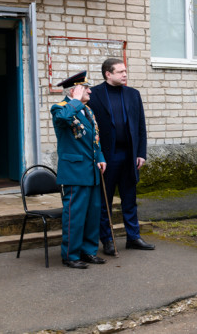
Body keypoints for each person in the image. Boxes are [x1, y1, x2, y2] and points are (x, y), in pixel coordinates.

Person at [87, 58, 153, 255]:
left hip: (130, 156)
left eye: (125, 71)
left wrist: (141, 153)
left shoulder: (133, 94)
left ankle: (133, 237)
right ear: (108, 74)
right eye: (120, 71)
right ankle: (107, 240)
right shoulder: (94, 94)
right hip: (107, 158)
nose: (125, 74)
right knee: (105, 201)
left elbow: (141, 125)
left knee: (129, 198)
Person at [51, 71, 107, 269]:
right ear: (74, 90)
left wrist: (100, 158)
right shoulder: (60, 108)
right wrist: (74, 100)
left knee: (92, 214)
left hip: (92, 171)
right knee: (74, 216)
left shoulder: (88, 111)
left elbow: (94, 140)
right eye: (86, 88)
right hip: (74, 172)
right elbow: (64, 119)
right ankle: (70, 255)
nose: (91, 91)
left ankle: (88, 251)